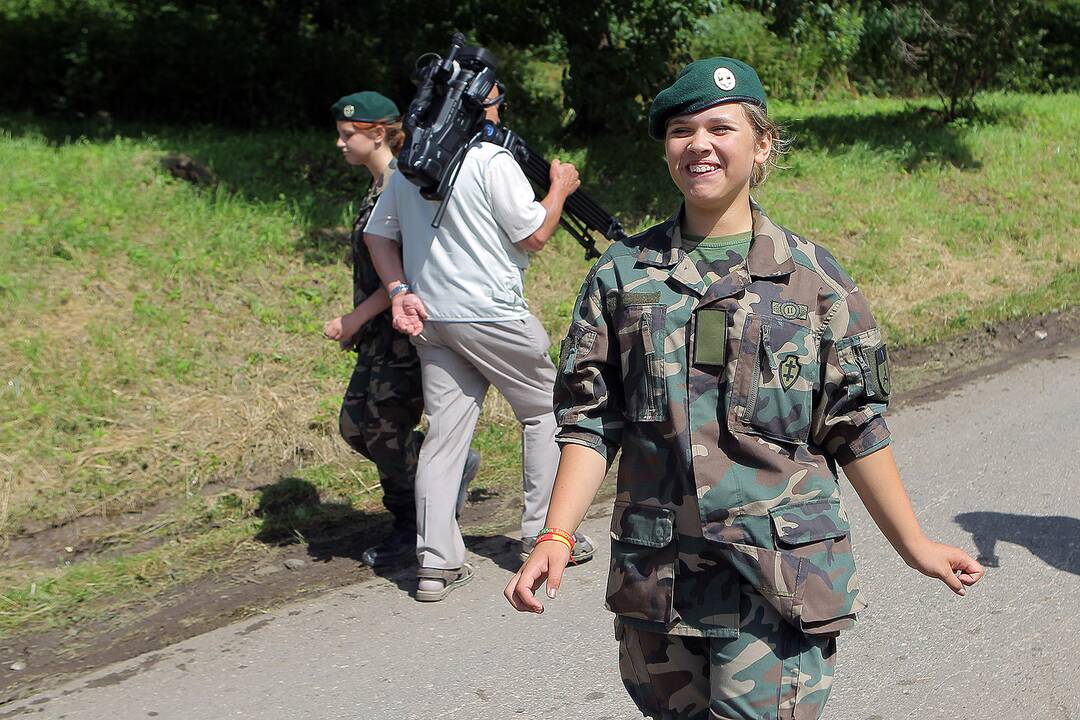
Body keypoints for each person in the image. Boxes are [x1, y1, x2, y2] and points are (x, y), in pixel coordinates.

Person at [504, 58, 985, 719]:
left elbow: (855, 428)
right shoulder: (621, 279)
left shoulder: (815, 282)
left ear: (761, 146)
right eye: (681, 130)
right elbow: (591, 423)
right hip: (660, 585)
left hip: (779, 581)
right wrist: (555, 537)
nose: (699, 144)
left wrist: (915, 545)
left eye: (720, 128)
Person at [364, 84, 595, 603]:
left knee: (445, 433)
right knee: (545, 411)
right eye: (493, 102)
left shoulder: (409, 164)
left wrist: (400, 289)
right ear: (478, 110)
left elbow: (378, 235)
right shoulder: (491, 159)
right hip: (491, 314)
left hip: (432, 317)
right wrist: (559, 187)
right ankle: (545, 534)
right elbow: (532, 235)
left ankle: (435, 565)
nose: (498, 111)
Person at [323, 91, 478, 568]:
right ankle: (446, 473)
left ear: (377, 133)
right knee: (356, 428)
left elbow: (405, 270)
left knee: (383, 430)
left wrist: (355, 317)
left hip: (407, 331)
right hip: (379, 332)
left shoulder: (402, 182)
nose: (340, 143)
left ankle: (412, 526)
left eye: (348, 135)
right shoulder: (377, 186)